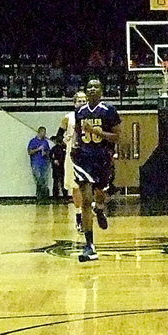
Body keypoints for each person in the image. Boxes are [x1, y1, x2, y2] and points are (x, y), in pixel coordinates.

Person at [72, 78, 121, 262]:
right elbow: (79, 132)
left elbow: (117, 137)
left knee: (100, 193)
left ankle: (100, 209)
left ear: (101, 90)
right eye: (89, 86)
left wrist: (97, 131)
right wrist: (76, 147)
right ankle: (89, 245)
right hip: (84, 158)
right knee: (86, 200)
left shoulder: (109, 111)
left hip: (102, 158)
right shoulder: (80, 112)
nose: (92, 89)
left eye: (95, 86)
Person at [60, 90, 87, 231]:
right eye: (79, 101)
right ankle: (79, 215)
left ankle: (91, 208)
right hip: (73, 155)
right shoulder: (68, 118)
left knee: (91, 185)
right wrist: (64, 140)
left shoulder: (93, 115)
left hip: (89, 154)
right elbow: (59, 136)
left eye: (84, 100)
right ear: (74, 103)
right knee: (75, 186)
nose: (82, 103)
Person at [27, 125, 52, 201]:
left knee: (44, 180)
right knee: (38, 179)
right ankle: (39, 196)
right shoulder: (33, 141)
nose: (45, 134)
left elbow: (48, 151)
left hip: (44, 162)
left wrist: (46, 153)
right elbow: (29, 152)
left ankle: (45, 197)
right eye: (44, 132)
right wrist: (38, 149)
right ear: (40, 132)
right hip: (36, 163)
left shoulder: (45, 142)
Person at [50, 128, 67, 199]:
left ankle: (65, 196)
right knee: (56, 182)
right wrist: (54, 160)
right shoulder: (54, 148)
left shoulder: (65, 148)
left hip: (63, 166)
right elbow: (50, 156)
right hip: (56, 167)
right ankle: (55, 196)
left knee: (64, 182)